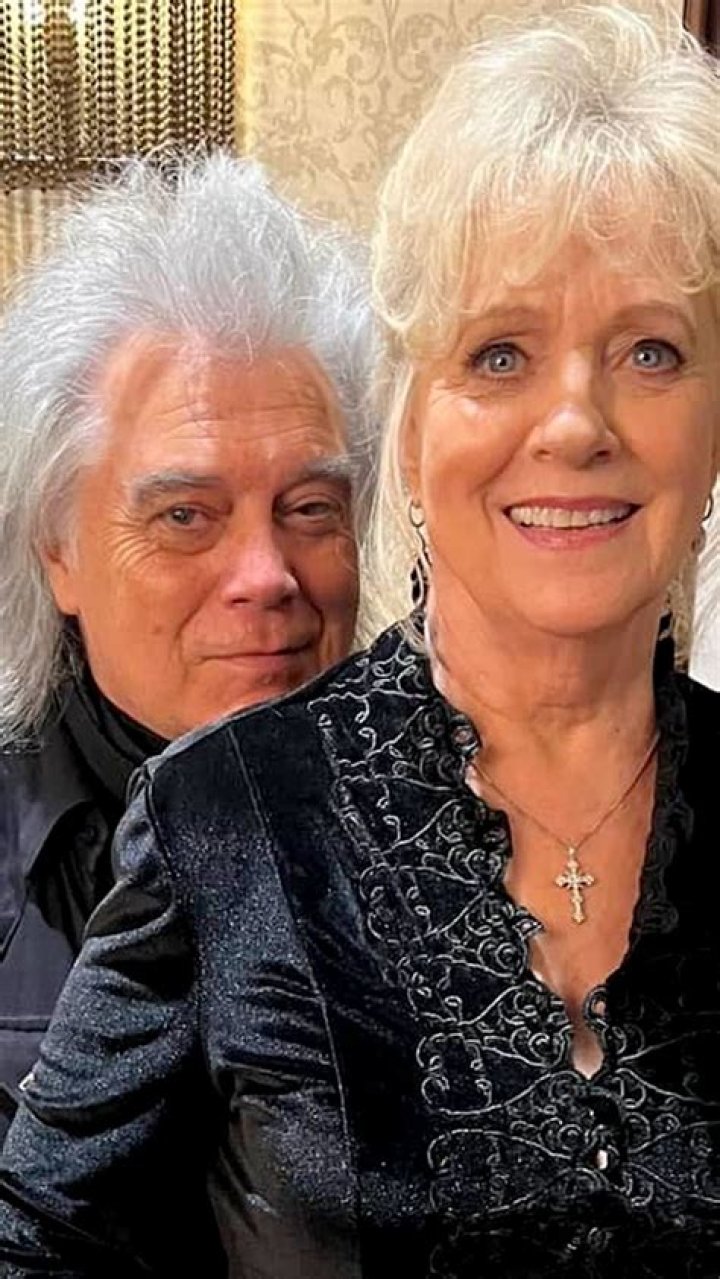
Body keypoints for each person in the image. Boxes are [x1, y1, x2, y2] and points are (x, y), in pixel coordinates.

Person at [1, 4, 719, 1275]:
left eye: (652, 349)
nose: (576, 421)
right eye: (500, 352)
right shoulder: (226, 818)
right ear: (415, 427)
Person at [0, 153, 374, 1144]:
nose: (266, 574)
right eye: (184, 515)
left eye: (310, 507)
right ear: (57, 548)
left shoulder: (467, 832)